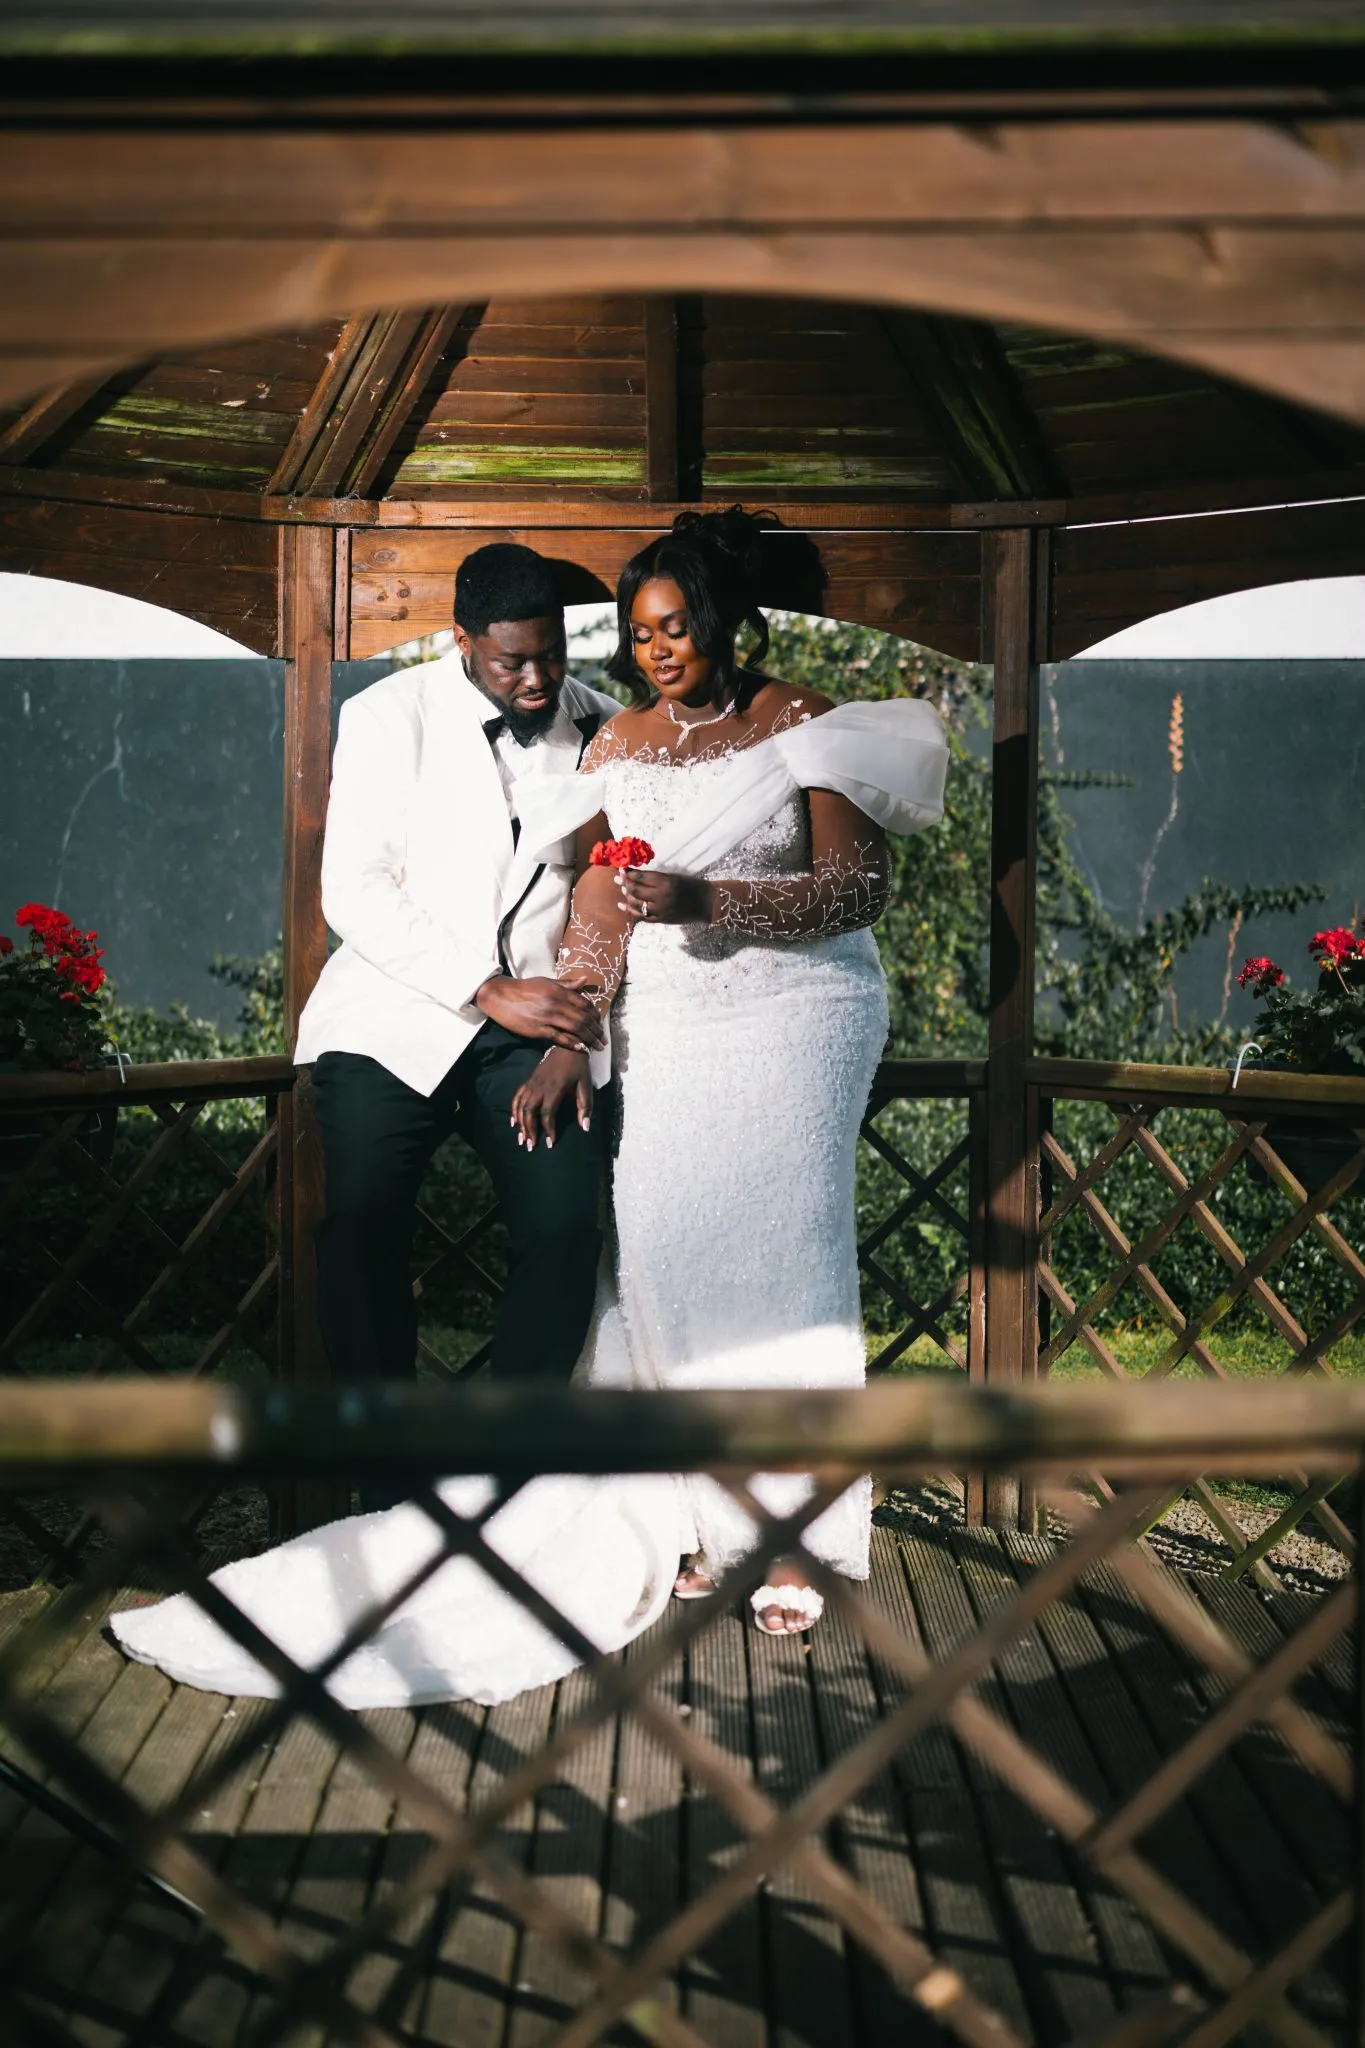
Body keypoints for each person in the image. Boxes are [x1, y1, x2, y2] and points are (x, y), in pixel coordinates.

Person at [109, 510, 948, 1704]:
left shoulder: (736, 723)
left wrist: (647, 950)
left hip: (755, 1021)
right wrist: (546, 1008)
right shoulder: (445, 723)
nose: (639, 654)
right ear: (464, 644)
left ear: (714, 622)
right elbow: (473, 896)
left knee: (682, 1242)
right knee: (507, 1237)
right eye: (638, 633)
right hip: (461, 1019)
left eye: (666, 630)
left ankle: (745, 1512)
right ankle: (434, 1480)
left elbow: (828, 886)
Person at [293, 542, 620, 1501]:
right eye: (512, 659)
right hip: (396, 1016)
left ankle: (504, 1482)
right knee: (357, 1227)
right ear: (462, 640)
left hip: (537, 1037)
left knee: (565, 1224)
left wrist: (566, 1025)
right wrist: (481, 986)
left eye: (551, 654)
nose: (537, 678)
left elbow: (606, 894)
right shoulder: (387, 716)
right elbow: (352, 889)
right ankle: (384, 1486)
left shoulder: (600, 724)